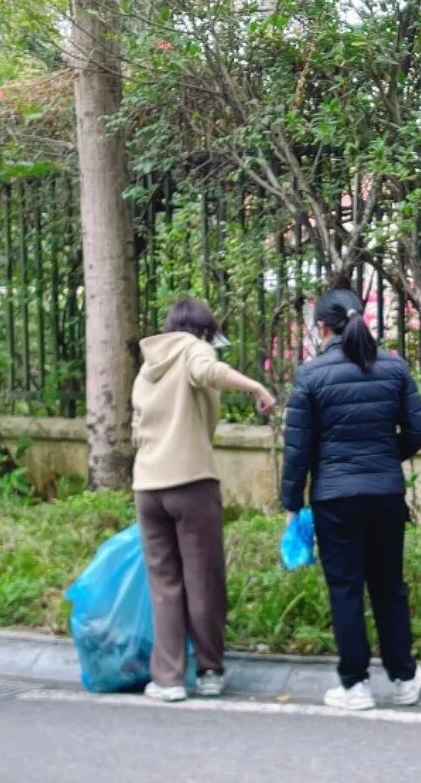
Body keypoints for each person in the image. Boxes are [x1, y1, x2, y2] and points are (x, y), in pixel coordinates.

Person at [281, 288, 421, 711]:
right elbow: (419, 428)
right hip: (385, 495)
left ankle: (355, 685)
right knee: (389, 587)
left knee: (345, 588)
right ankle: (404, 678)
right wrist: (385, 456)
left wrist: (292, 504)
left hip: (335, 499)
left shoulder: (310, 376)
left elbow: (298, 450)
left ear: (322, 327)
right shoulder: (394, 367)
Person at [132, 298, 276, 703]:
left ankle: (168, 679)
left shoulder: (148, 365)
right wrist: (257, 386)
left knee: (165, 586)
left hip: (147, 486)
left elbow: (137, 428)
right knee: (203, 580)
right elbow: (207, 371)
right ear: (206, 331)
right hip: (191, 482)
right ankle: (210, 671)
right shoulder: (195, 348)